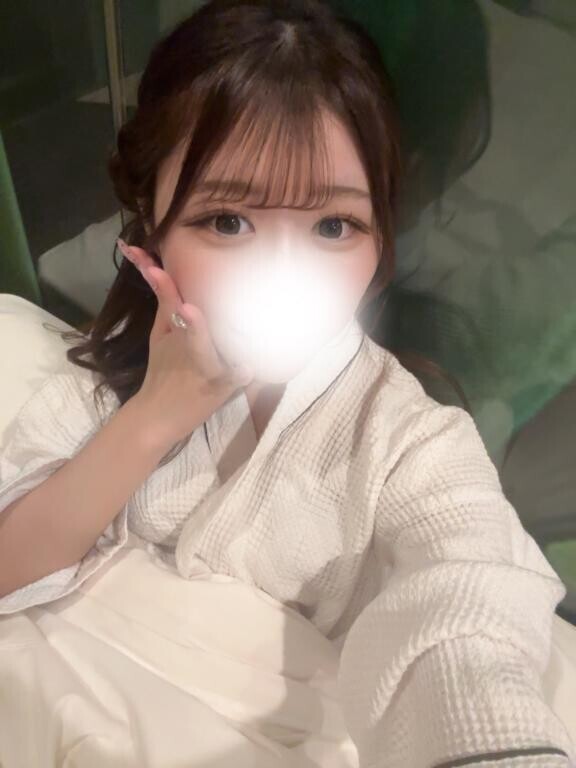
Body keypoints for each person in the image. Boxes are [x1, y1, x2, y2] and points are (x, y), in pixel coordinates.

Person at [0, 1, 574, 766]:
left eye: (333, 226)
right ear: (151, 223)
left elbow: (465, 610)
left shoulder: (412, 442)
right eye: (227, 221)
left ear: (380, 238)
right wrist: (156, 415)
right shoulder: (114, 376)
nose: (282, 273)